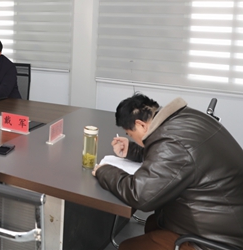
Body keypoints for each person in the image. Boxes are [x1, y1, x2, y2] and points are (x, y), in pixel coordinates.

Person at [93, 93, 243, 250]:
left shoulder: (172, 143)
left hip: (217, 241)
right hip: (225, 221)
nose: (132, 137)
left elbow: (141, 195)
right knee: (153, 223)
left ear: (140, 125)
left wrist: (105, 171)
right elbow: (177, 156)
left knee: (128, 246)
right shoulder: (184, 117)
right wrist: (133, 150)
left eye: (130, 134)